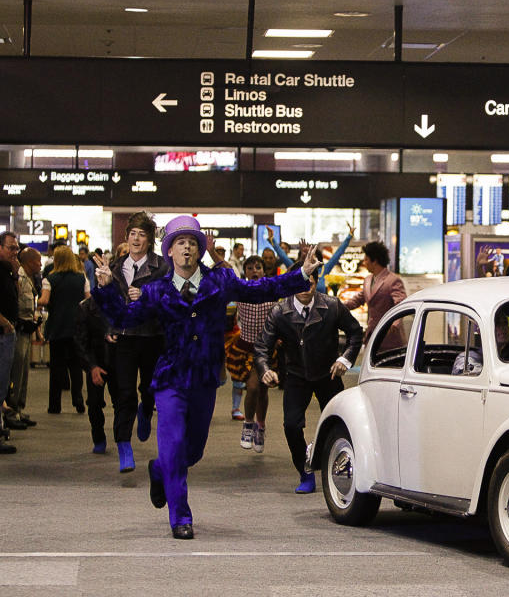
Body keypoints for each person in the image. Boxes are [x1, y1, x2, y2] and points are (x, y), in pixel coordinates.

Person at [93, 215, 322, 540]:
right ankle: (181, 517)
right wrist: (105, 289)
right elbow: (123, 316)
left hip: (204, 379)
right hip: (171, 379)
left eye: (192, 243)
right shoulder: (157, 290)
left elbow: (259, 290)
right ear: (169, 251)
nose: (186, 249)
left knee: (193, 452)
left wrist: (300, 274)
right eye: (179, 243)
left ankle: (159, 470)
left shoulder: (220, 281)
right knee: (172, 447)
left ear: (199, 250)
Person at [235, 223, 353, 454]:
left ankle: (330, 452)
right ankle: (261, 428)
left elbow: (338, 254)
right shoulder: (289, 285)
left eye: (311, 276)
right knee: (283, 413)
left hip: (322, 334)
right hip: (291, 346)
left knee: (336, 415)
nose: (307, 283)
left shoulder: (325, 274)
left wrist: (349, 237)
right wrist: (272, 243)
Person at [254, 260, 363, 493]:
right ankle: (305, 471)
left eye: (310, 284)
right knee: (291, 426)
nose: (306, 288)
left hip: (328, 375)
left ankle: (343, 467)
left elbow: (355, 333)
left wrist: (344, 360)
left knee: (342, 423)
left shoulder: (332, 306)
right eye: (301, 284)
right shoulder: (279, 312)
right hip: (295, 375)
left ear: (316, 283)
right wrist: (265, 369)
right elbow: (263, 346)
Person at [106, 211, 169, 473]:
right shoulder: (115, 266)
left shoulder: (163, 266)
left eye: (141, 235)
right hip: (124, 337)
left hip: (153, 336)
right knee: (124, 393)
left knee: (149, 388)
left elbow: (171, 299)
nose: (135, 239)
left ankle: (147, 409)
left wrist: (146, 295)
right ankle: (123, 445)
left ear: (150, 239)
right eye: (132, 234)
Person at [39, 245, 88, 415]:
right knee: (76, 366)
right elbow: (88, 301)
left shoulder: (49, 279)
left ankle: (55, 405)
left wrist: (36, 301)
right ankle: (78, 400)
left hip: (57, 327)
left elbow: (44, 301)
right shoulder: (82, 278)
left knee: (56, 367)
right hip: (76, 327)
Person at [343, 241, 407, 348]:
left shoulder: (393, 280)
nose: (364, 262)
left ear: (375, 261)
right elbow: (357, 300)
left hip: (390, 339)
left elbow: (401, 305)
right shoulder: (368, 280)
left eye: (366, 259)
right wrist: (337, 306)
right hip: (371, 336)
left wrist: (394, 324)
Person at [7, 247, 43, 428]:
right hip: (18, 330)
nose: (41, 264)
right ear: (29, 262)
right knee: (16, 373)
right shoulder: (19, 278)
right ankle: (11, 412)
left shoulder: (28, 278)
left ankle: (19, 409)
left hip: (27, 330)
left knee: (24, 373)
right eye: (38, 261)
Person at [74, 296, 116, 454]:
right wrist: (91, 367)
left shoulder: (123, 304)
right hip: (95, 360)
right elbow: (80, 341)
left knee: (122, 401)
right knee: (94, 402)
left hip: (117, 361)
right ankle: (98, 438)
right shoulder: (85, 307)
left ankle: (122, 438)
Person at [0, 231, 20, 454]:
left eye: (16, 248)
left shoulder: (7, 270)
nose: (15, 252)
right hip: (3, 331)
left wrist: (15, 275)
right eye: (10, 248)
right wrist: (4, 322)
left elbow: (14, 296)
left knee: (3, 385)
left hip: (7, 332)